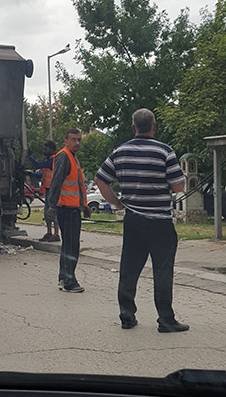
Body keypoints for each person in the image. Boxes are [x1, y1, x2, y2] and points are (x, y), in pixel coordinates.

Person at [94, 109, 188, 333]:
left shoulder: (120, 152)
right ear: (154, 127)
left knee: (129, 269)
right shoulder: (165, 151)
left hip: (134, 220)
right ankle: (166, 319)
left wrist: (117, 202)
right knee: (163, 270)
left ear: (133, 127)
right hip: (160, 223)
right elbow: (178, 187)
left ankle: (127, 316)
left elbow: (100, 179)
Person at [45, 129, 91, 293]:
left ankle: (64, 278)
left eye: (79, 140)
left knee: (69, 245)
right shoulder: (64, 156)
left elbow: (77, 186)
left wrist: (84, 206)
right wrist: (52, 206)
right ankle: (69, 281)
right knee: (71, 246)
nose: (77, 143)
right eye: (73, 140)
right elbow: (56, 182)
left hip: (72, 207)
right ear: (66, 141)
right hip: (66, 208)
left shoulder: (73, 158)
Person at [29, 141, 60, 242]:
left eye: (45, 149)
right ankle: (49, 233)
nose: (44, 151)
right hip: (48, 190)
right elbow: (42, 174)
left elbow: (38, 165)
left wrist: (30, 156)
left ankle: (56, 234)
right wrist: (30, 174)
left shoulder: (53, 160)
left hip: (53, 190)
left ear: (51, 149)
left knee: (53, 211)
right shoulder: (48, 161)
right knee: (47, 212)